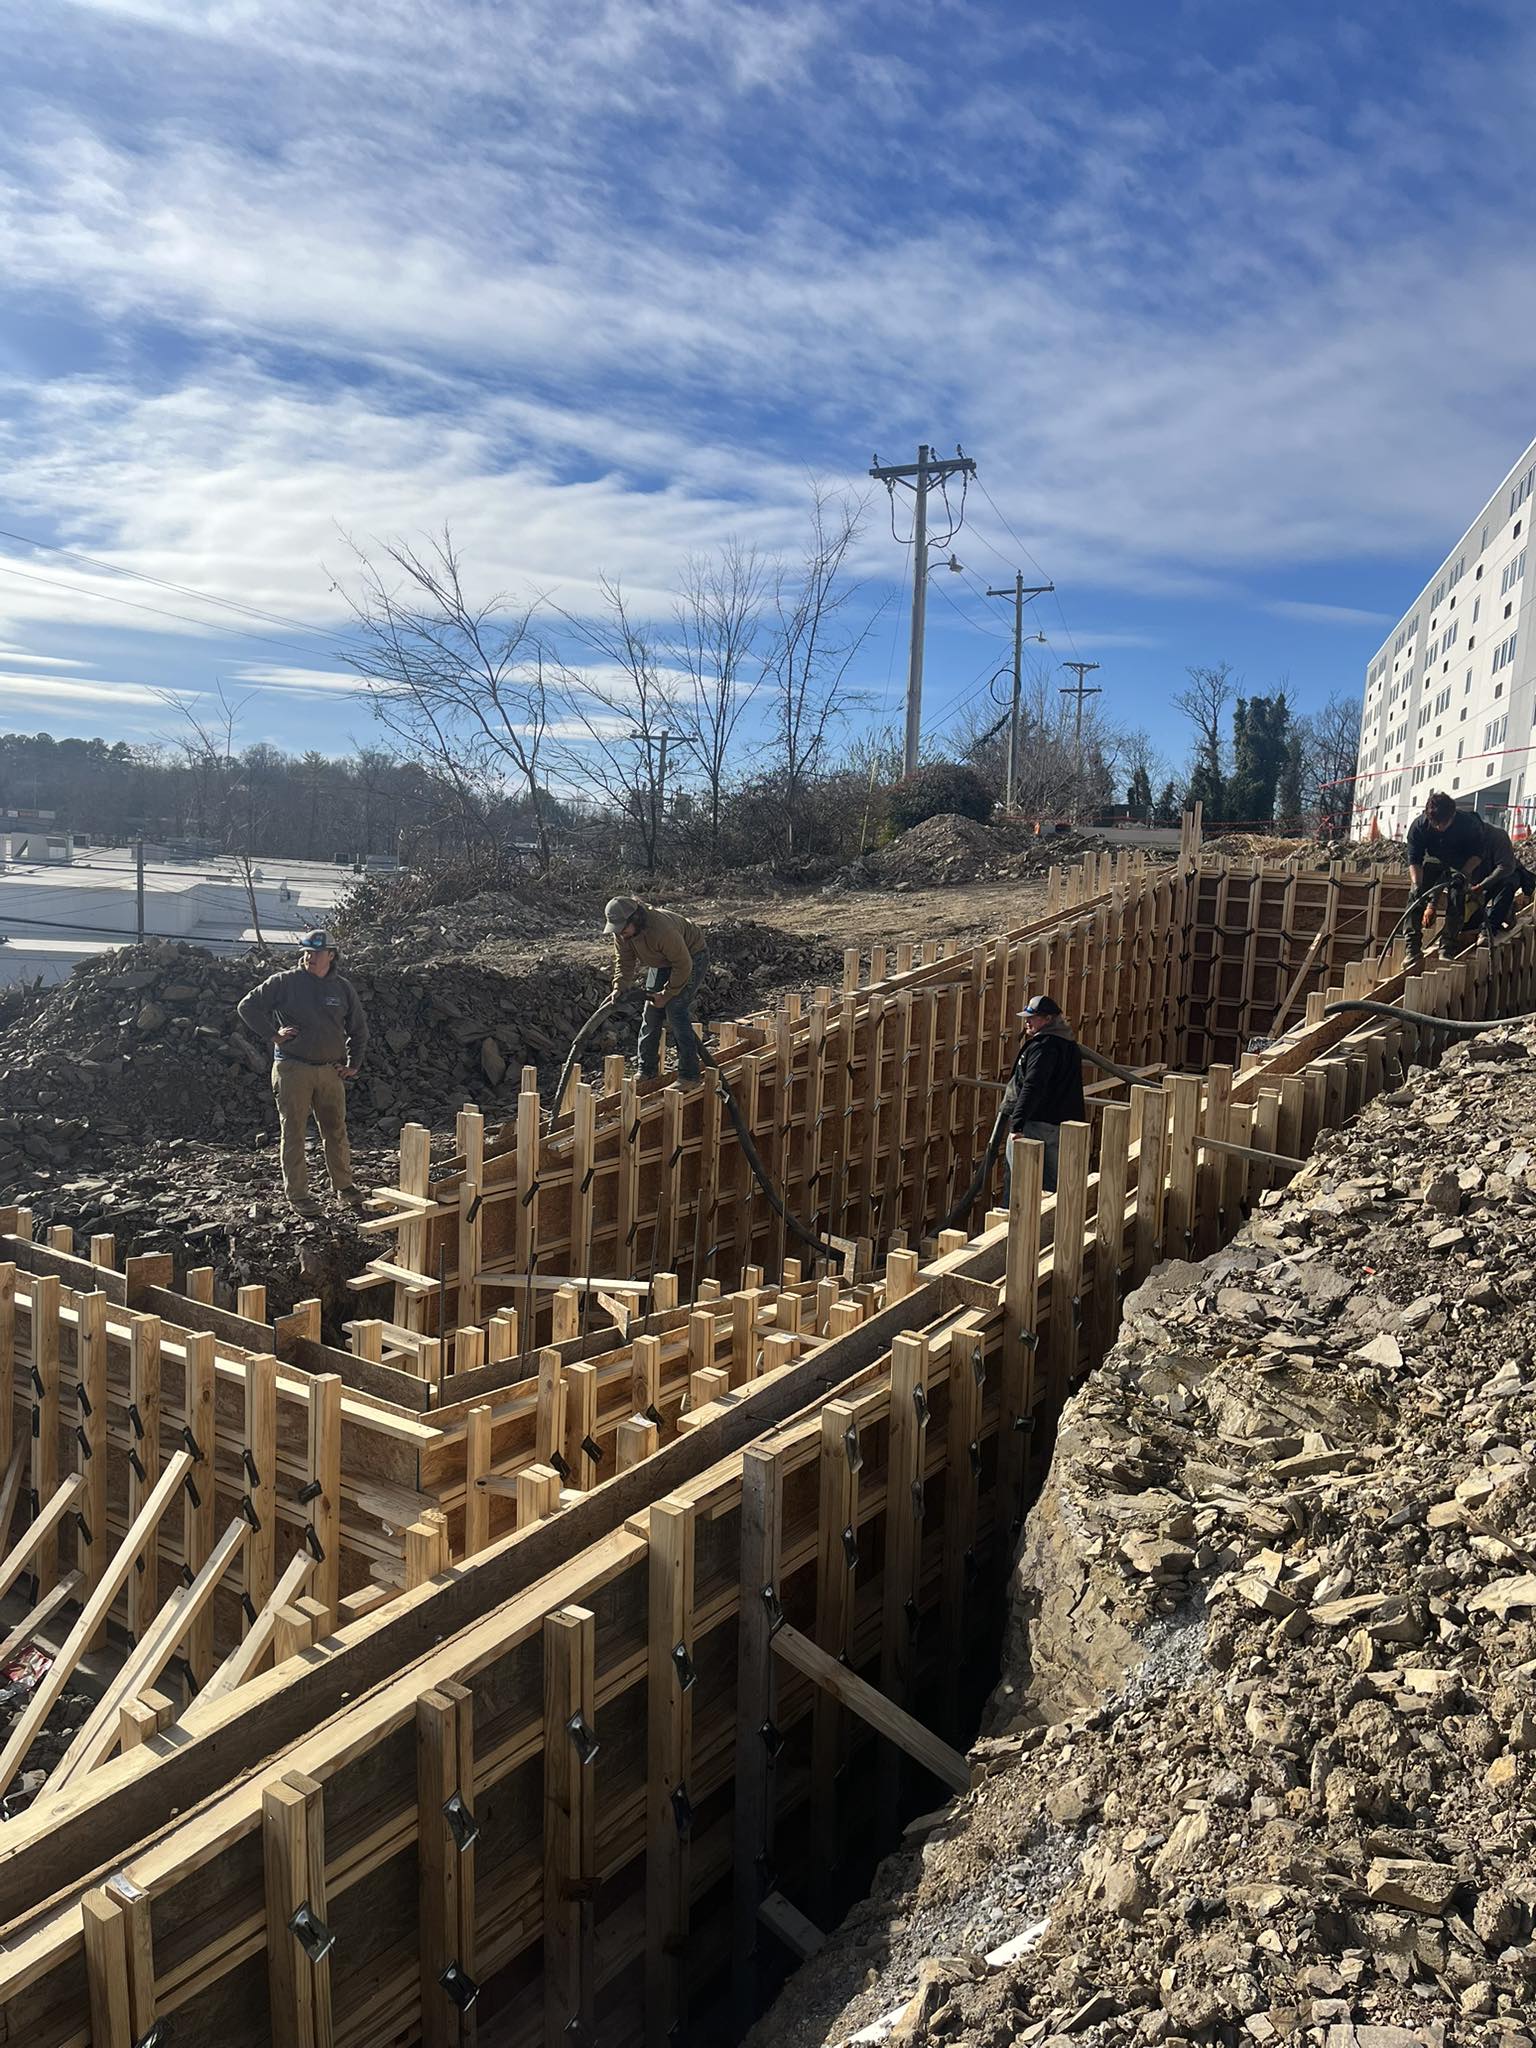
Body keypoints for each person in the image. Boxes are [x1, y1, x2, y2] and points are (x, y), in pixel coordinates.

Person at [237, 930, 368, 1218]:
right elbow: (247, 1006)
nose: (310, 957)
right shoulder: (285, 982)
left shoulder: (342, 988)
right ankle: (298, 1195)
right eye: (306, 951)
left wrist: (353, 1064)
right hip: (292, 1068)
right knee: (294, 1132)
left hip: (330, 1072)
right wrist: (273, 1035)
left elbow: (358, 1030)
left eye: (317, 952)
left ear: (331, 955)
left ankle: (344, 1186)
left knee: (336, 1130)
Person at [604, 896, 709, 1083]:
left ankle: (689, 1075)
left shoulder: (662, 930)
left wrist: (667, 994)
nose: (620, 934)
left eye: (623, 929)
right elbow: (625, 962)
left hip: (691, 957)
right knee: (651, 1012)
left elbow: (683, 964)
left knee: (675, 1009)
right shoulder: (623, 933)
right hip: (662, 962)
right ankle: (646, 1069)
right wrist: (619, 986)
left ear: (635, 918)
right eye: (617, 930)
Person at [1002, 993, 1085, 1195]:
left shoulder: (1044, 1047)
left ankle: (1018, 1224)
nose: (1027, 1022)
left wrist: (1017, 1124)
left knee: (1022, 1187)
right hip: (1060, 1127)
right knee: (1056, 1187)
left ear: (1048, 1019)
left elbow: (1033, 1085)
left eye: (1032, 1017)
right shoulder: (1068, 1044)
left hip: (1038, 1125)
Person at [1404, 791, 1490, 964]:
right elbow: (1414, 860)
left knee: (1457, 895)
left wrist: (1463, 874)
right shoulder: (1419, 827)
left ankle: (1447, 947)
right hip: (1432, 859)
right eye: (1435, 824)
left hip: (1461, 861)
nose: (1439, 828)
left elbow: (1477, 855)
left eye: (1444, 824)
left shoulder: (1469, 824)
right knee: (1414, 896)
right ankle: (1412, 949)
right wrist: (1418, 885)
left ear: (1452, 815)